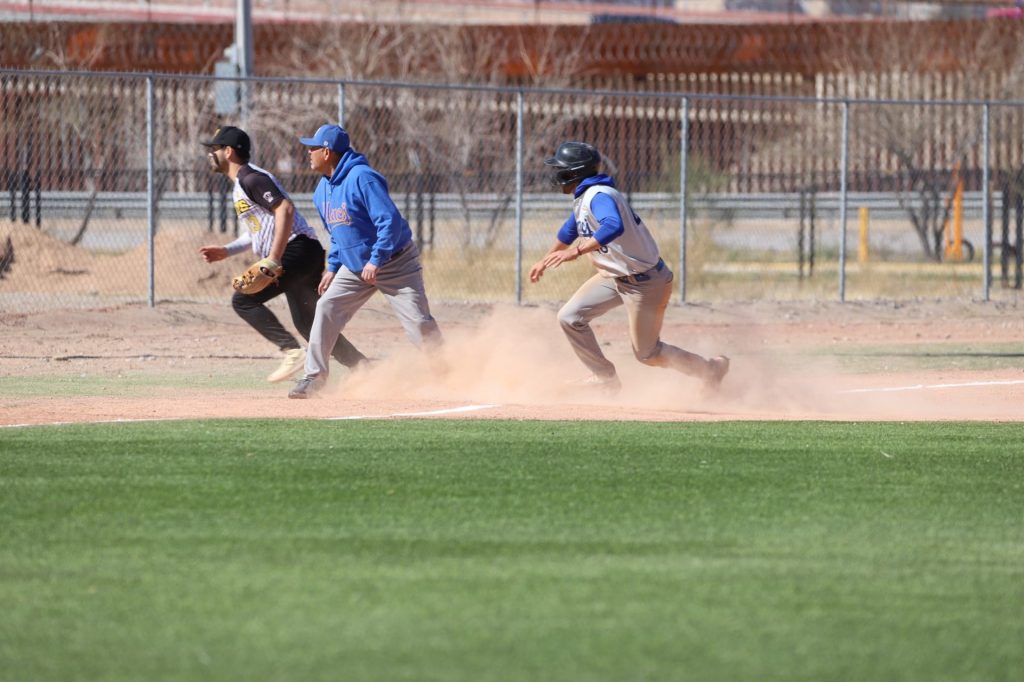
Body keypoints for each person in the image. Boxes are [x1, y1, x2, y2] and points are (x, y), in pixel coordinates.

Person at [529, 141, 729, 394]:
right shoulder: (585, 198)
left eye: (562, 170)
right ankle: (605, 378)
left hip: (645, 282)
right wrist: (545, 259)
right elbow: (569, 231)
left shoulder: (599, 195)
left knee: (648, 354)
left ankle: (710, 370)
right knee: (570, 317)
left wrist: (576, 252)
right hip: (614, 278)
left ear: (575, 172)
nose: (558, 175)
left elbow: (613, 225)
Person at [197, 125, 367, 383]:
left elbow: (285, 210)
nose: (211, 154)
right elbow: (257, 231)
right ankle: (361, 366)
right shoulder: (241, 184)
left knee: (243, 301)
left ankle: (291, 351)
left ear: (228, 151)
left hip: (296, 249)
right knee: (308, 323)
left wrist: (274, 259)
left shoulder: (251, 178)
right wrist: (226, 251)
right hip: (304, 251)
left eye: (215, 149)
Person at [288, 124, 441, 399]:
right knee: (326, 307)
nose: (308, 153)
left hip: (394, 262)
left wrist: (376, 259)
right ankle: (314, 377)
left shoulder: (363, 177)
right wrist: (333, 267)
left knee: (418, 323)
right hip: (355, 267)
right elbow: (338, 233)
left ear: (327, 152)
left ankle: (447, 371)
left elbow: (389, 222)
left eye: (313, 148)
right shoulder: (322, 190)